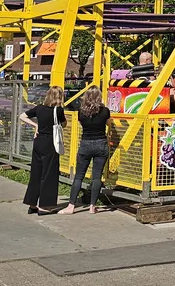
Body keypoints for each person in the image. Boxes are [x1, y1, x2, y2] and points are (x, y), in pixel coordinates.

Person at [60, 85, 111, 215]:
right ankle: (92, 206)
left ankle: (71, 206)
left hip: (86, 143)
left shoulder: (81, 112)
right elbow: (109, 124)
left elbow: (83, 122)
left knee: (79, 176)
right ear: (99, 97)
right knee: (96, 177)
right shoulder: (105, 111)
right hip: (101, 143)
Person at [19, 86, 66, 214]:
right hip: (51, 143)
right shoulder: (58, 110)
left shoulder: (39, 108)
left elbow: (22, 116)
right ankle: (44, 206)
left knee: (36, 173)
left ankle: (32, 204)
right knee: (49, 174)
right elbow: (64, 124)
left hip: (38, 142)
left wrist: (36, 125)